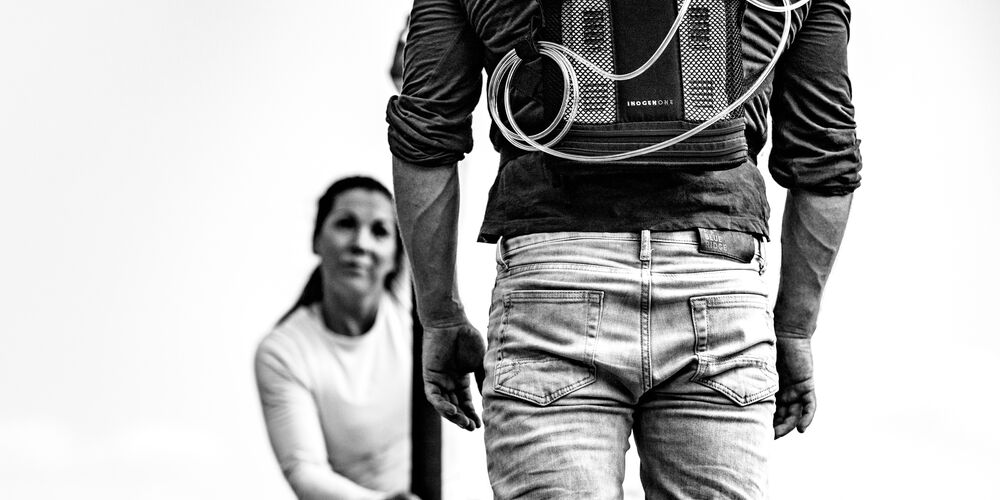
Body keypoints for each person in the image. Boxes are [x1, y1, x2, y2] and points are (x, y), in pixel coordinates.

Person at [386, 0, 861, 497]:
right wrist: (794, 329)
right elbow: (826, 157)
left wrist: (440, 317)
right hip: (717, 278)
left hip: (554, 280)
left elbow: (426, 136)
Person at [254, 176, 419, 500]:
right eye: (345, 224)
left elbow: (429, 216)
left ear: (396, 256)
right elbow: (304, 470)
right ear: (316, 239)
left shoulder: (411, 313)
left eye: (380, 231)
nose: (361, 243)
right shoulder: (284, 351)